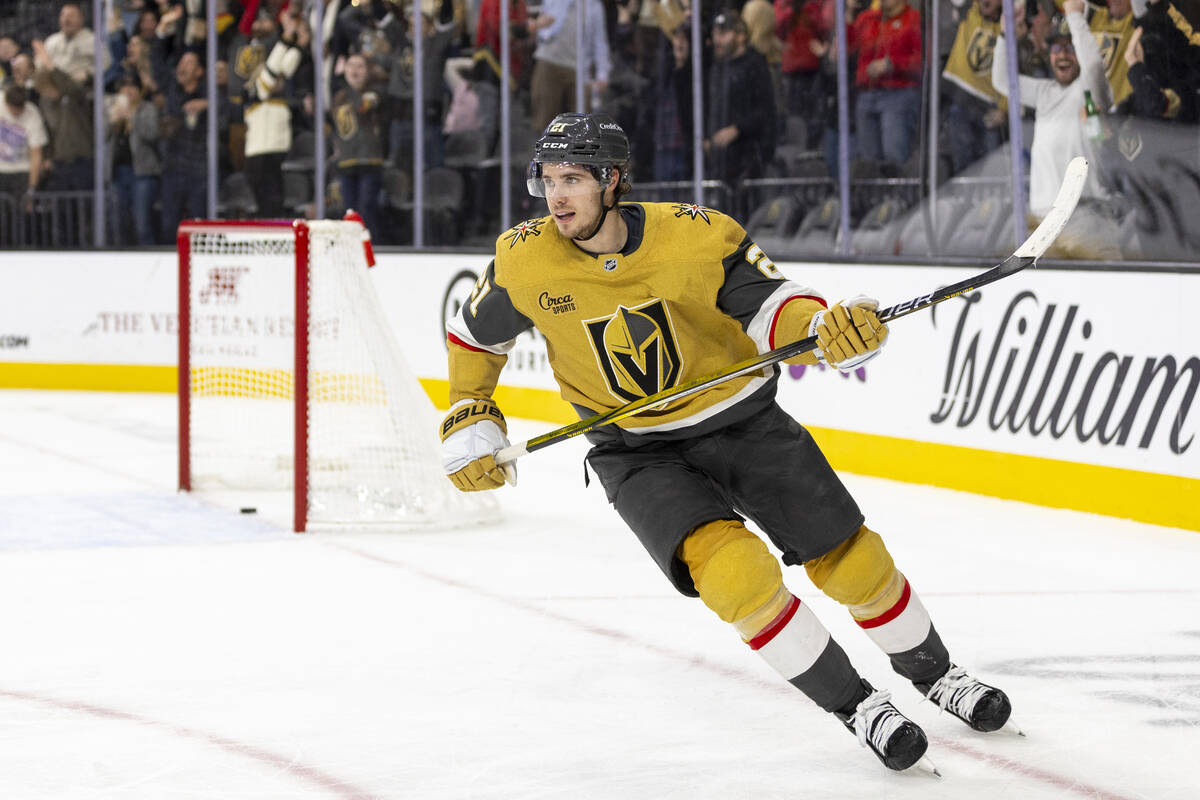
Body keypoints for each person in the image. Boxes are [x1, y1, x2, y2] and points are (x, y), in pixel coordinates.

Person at [438, 111, 1017, 773]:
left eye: (573, 178)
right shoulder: (524, 256)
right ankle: (857, 706)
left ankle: (936, 674)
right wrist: (470, 410)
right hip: (637, 451)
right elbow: (477, 336)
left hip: (744, 421)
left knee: (855, 565)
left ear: (612, 180)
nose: (557, 195)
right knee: (737, 578)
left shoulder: (696, 236)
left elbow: (772, 306)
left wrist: (826, 328)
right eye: (547, 180)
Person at [991, 0, 1119, 259]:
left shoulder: (1092, 90)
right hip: (1043, 219)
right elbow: (1002, 80)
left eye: (1070, 48)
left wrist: (1075, 17)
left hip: (1087, 215)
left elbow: (1094, 66)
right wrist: (1005, 34)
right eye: (1057, 48)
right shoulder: (1044, 93)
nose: (1062, 55)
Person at [706, 12, 777, 218]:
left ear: (741, 36)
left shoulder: (755, 64)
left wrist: (737, 129)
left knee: (746, 216)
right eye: (715, 33)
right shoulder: (717, 68)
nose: (717, 39)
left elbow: (765, 111)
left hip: (748, 156)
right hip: (721, 158)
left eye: (724, 33)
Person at [847, 0, 922, 171]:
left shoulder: (914, 19)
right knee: (868, 161)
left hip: (899, 93)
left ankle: (898, 197)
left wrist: (892, 64)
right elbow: (847, 47)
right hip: (866, 94)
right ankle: (874, 197)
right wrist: (849, 15)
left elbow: (922, 61)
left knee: (894, 156)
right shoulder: (868, 18)